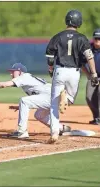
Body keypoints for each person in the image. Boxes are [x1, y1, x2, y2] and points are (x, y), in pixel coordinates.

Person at [45, 10, 99, 143]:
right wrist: (93, 73)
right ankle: (66, 97)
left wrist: (51, 69)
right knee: (69, 100)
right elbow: (89, 56)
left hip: (60, 70)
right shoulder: (81, 38)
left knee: (53, 104)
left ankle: (54, 133)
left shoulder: (57, 37)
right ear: (78, 22)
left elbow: (50, 56)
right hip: (74, 72)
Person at [0, 63, 71, 139]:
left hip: (52, 96)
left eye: (13, 72)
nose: (11, 74)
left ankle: (22, 132)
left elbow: (4, 85)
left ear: (20, 72)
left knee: (24, 101)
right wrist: (20, 106)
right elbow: (38, 97)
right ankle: (61, 128)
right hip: (54, 97)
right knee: (39, 114)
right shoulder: (28, 78)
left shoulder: (24, 77)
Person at [82, 28, 100, 125]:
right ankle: (96, 117)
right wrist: (89, 75)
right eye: (96, 38)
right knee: (89, 97)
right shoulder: (89, 49)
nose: (97, 40)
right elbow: (81, 63)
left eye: (99, 38)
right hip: (93, 77)